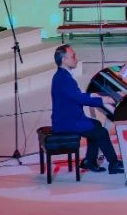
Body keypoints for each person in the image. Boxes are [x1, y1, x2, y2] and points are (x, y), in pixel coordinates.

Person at [50, 45, 122, 174]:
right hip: (67, 123)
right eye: (73, 56)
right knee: (102, 132)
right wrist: (103, 100)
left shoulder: (62, 76)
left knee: (96, 124)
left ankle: (90, 160)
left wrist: (94, 95)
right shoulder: (64, 79)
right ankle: (114, 164)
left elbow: (75, 96)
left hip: (69, 119)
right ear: (64, 60)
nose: (76, 59)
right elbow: (79, 99)